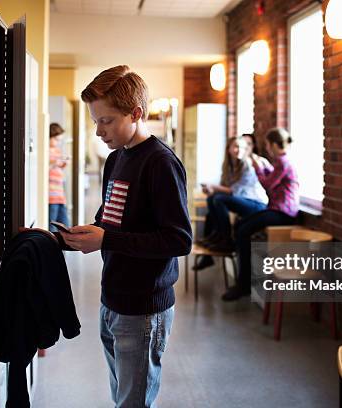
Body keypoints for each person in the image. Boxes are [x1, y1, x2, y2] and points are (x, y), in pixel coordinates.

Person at [56, 65, 192, 407]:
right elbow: (109, 223)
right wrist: (65, 238)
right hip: (112, 298)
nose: (99, 131)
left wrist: (106, 240)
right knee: (123, 397)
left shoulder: (160, 163)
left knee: (133, 402)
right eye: (95, 121)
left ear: (137, 113)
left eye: (107, 121)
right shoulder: (115, 160)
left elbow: (179, 240)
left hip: (144, 308)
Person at [222, 127, 300, 301]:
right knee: (241, 227)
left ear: (273, 144)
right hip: (277, 210)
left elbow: (268, 184)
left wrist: (258, 168)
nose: (265, 148)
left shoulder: (283, 162)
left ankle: (244, 284)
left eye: (266, 144)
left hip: (283, 213)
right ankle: (243, 280)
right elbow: (272, 180)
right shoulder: (282, 162)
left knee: (243, 230)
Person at [193, 136, 268, 270]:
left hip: (257, 204)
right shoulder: (230, 166)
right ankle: (217, 237)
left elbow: (234, 191)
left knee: (218, 198)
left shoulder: (248, 165)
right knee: (212, 199)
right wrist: (211, 190)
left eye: (242, 147)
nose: (238, 150)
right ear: (228, 149)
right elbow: (227, 189)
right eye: (235, 146)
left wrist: (213, 187)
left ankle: (225, 239)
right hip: (244, 201)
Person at [49, 123, 70, 231]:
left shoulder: (57, 151)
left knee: (65, 224)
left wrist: (63, 163)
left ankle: (64, 246)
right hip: (51, 195)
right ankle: (51, 246)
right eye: (56, 139)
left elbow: (59, 167)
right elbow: (45, 168)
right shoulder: (45, 151)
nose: (57, 143)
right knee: (52, 225)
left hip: (60, 194)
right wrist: (54, 163)